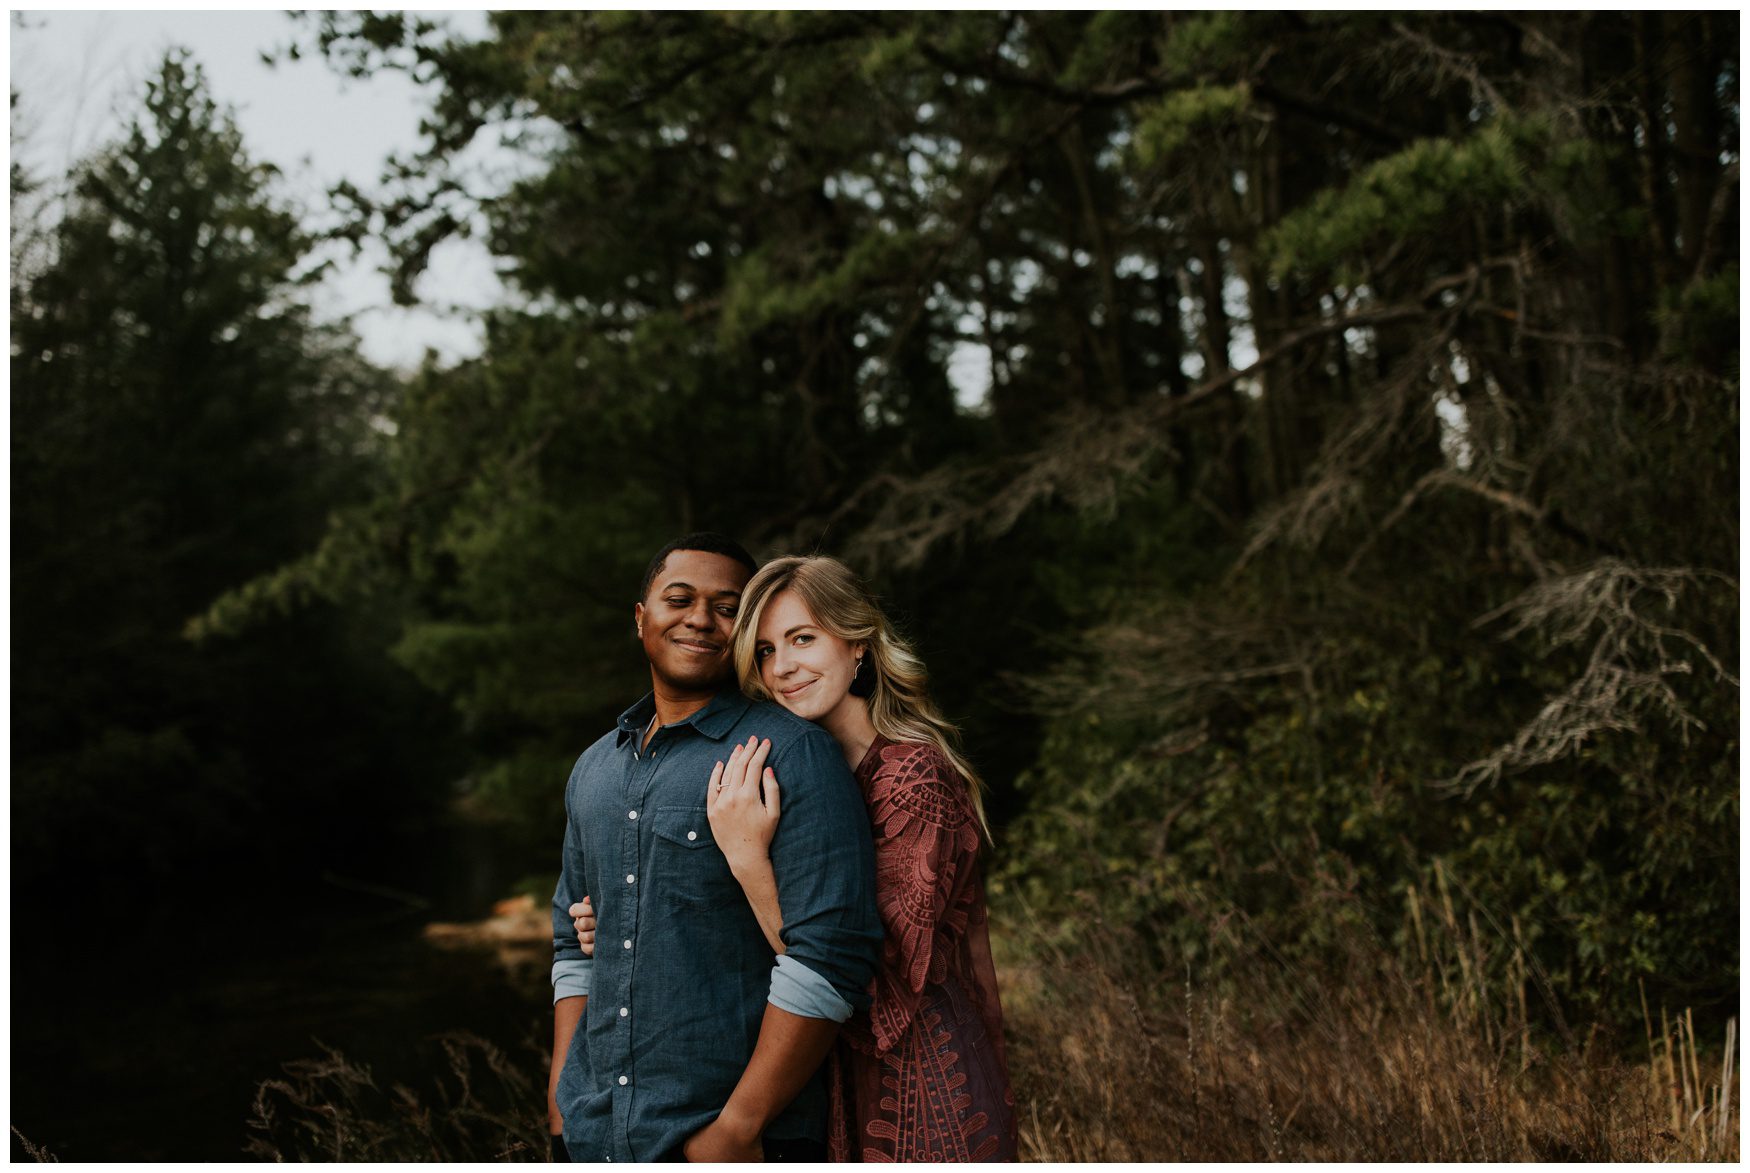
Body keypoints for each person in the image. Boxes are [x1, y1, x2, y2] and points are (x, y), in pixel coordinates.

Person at [575, 554, 1017, 1161]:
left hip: (918, 1081)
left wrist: (748, 860)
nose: (782, 667)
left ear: (857, 643)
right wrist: (634, 923)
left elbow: (862, 981)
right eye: (763, 650)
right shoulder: (806, 767)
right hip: (827, 1084)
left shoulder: (913, 778)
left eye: (803, 639)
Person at [547, 534, 883, 1163]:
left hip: (727, 1139)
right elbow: (573, 941)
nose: (700, 618)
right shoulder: (593, 770)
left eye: (727, 607)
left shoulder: (789, 753)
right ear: (641, 617)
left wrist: (736, 1128)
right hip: (593, 1136)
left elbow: (833, 954)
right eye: (679, 599)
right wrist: (561, 1101)